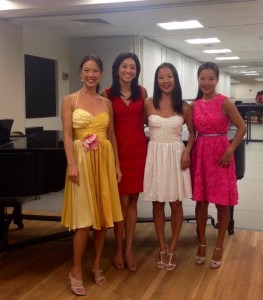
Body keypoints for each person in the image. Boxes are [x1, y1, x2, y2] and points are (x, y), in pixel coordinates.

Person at [61, 54, 123, 296]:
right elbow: (67, 135)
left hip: (104, 159)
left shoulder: (106, 103)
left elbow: (112, 135)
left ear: (101, 74)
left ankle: (96, 263)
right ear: (80, 73)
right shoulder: (69, 101)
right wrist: (71, 164)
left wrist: (117, 165)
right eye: (87, 70)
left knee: (103, 217)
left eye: (95, 70)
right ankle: (75, 271)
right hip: (82, 161)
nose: (90, 74)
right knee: (84, 221)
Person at [190, 62, 246, 269]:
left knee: (222, 203)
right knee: (201, 202)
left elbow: (241, 128)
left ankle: (219, 245)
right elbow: (192, 132)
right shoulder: (195, 105)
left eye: (210, 78)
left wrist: (230, 150)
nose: (206, 83)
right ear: (198, 79)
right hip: (201, 154)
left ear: (217, 79)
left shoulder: (225, 102)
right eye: (202, 78)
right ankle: (202, 243)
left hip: (221, 153)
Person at [143, 62, 195, 271]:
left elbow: (192, 132)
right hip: (155, 155)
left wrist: (187, 151)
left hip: (175, 155)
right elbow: (137, 126)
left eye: (169, 76)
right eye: (161, 77)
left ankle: (173, 247)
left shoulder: (184, 106)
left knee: (175, 204)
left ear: (175, 79)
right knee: (157, 204)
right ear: (156, 81)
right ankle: (161, 247)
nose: (165, 81)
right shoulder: (148, 104)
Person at [101, 52, 147, 272]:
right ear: (117, 68)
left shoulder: (142, 92)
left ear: (137, 71)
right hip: (118, 154)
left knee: (133, 202)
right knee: (121, 203)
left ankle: (129, 249)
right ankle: (117, 248)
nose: (128, 70)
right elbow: (105, 129)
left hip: (139, 151)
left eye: (133, 67)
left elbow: (147, 121)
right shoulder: (106, 94)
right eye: (124, 66)